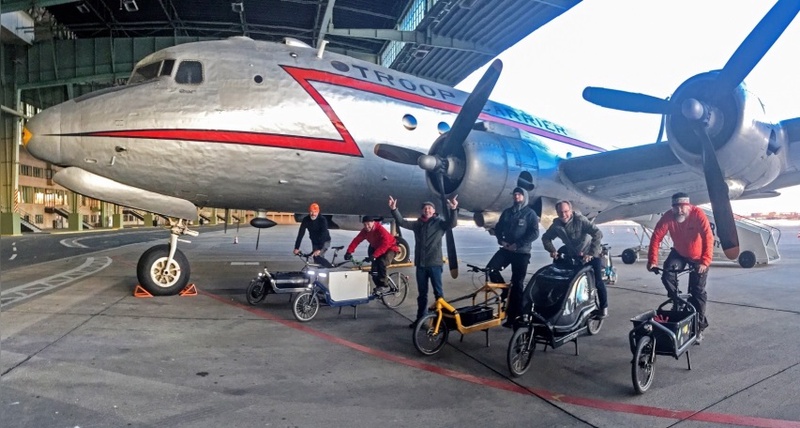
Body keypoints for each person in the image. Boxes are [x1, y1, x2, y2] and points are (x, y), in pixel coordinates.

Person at [646, 192, 714, 344]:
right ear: (672, 208)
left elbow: (708, 237)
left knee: (697, 292)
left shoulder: (698, 214)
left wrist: (705, 261)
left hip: (698, 257)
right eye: (676, 208)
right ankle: (679, 301)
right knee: (667, 274)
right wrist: (652, 261)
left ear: (688, 206)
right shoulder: (669, 216)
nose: (679, 211)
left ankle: (699, 328)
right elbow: (656, 237)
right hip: (679, 253)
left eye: (682, 207)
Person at [389, 195, 459, 328]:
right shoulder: (418, 224)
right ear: (422, 211)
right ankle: (420, 320)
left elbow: (452, 224)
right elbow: (402, 222)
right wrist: (394, 209)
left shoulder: (440, 223)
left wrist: (454, 209)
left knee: (439, 294)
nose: (427, 210)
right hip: (421, 265)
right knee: (422, 295)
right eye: (425, 208)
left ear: (434, 211)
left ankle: (440, 322)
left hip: (435, 264)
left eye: (430, 208)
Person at [541, 200, 608, 318]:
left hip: (590, 252)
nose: (563, 214)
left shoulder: (580, 220)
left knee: (598, 281)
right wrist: (552, 250)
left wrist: (592, 253)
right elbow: (546, 238)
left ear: (570, 211)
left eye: (566, 211)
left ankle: (604, 308)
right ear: (557, 212)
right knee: (567, 279)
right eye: (560, 212)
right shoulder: (556, 224)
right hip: (574, 254)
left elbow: (597, 233)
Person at [486, 187, 540, 327]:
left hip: (521, 252)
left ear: (524, 197)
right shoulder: (507, 212)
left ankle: (514, 317)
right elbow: (498, 228)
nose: (517, 197)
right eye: (515, 194)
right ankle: (505, 292)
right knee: (490, 269)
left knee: (517, 283)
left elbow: (534, 233)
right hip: (506, 249)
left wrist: (518, 244)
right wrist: (501, 240)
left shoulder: (530, 213)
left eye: (519, 195)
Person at [345, 216, 400, 294]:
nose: (367, 227)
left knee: (382, 262)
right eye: (364, 225)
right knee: (374, 270)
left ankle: (383, 285)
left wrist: (374, 255)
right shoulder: (365, 231)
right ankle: (378, 286)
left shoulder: (380, 229)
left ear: (373, 222)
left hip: (390, 248)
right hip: (376, 248)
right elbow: (356, 240)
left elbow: (385, 244)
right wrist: (349, 252)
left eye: (368, 224)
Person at [293, 202, 332, 267]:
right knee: (315, 259)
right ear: (309, 212)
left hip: (325, 240)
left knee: (318, 256)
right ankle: (318, 273)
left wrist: (319, 249)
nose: (313, 214)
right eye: (311, 212)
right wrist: (296, 247)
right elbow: (301, 233)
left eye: (315, 212)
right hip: (315, 241)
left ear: (318, 212)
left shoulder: (322, 220)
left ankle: (330, 268)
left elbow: (324, 234)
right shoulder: (306, 220)